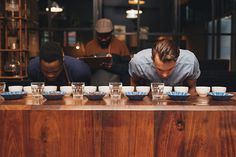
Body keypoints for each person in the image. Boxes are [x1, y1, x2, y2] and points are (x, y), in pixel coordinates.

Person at [129, 39, 201, 94]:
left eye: (170, 69)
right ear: (152, 59)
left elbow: (192, 87)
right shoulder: (138, 62)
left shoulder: (190, 62)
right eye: (159, 69)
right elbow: (134, 82)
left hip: (179, 97)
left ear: (177, 60)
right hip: (149, 97)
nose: (164, 75)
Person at [85, 18, 130, 86]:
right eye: (100, 35)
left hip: (115, 88)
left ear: (111, 32)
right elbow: (83, 69)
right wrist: (93, 66)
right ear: (96, 33)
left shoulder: (121, 45)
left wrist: (113, 67)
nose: (103, 39)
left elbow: (128, 68)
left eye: (106, 35)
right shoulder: (89, 46)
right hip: (93, 87)